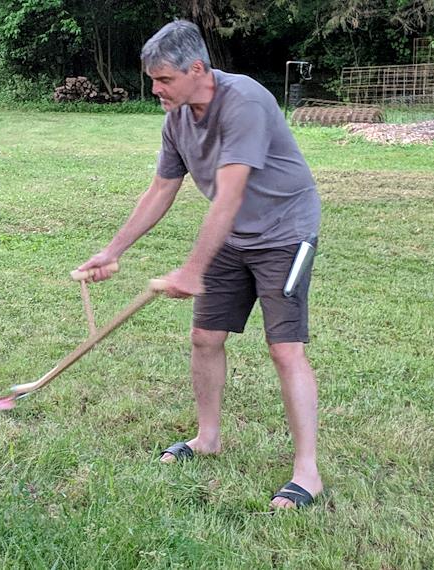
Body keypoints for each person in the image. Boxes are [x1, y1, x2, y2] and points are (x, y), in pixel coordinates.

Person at [77, 20, 322, 510]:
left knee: (284, 349)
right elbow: (161, 190)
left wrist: (192, 269)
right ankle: (207, 439)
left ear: (196, 69)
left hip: (285, 233)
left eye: (164, 79)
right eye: (152, 79)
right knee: (205, 337)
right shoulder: (177, 120)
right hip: (233, 235)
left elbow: (229, 194)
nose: (155, 89)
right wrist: (112, 250)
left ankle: (307, 474)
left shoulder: (244, 102)